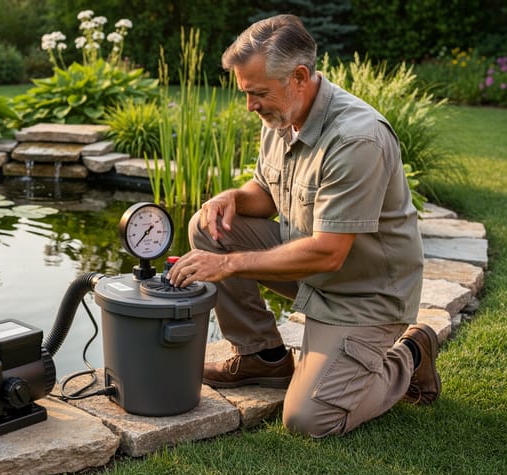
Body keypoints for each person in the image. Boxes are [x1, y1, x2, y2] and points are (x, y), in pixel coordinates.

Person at [167, 14, 441, 438]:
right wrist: (233, 198)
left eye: (257, 92)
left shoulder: (356, 139)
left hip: (365, 293)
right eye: (246, 92)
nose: (250, 105)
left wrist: (230, 265)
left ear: (298, 76)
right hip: (313, 274)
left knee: (309, 419)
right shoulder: (282, 117)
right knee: (209, 228)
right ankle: (264, 357)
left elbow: (329, 252)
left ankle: (410, 356)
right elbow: (266, 191)